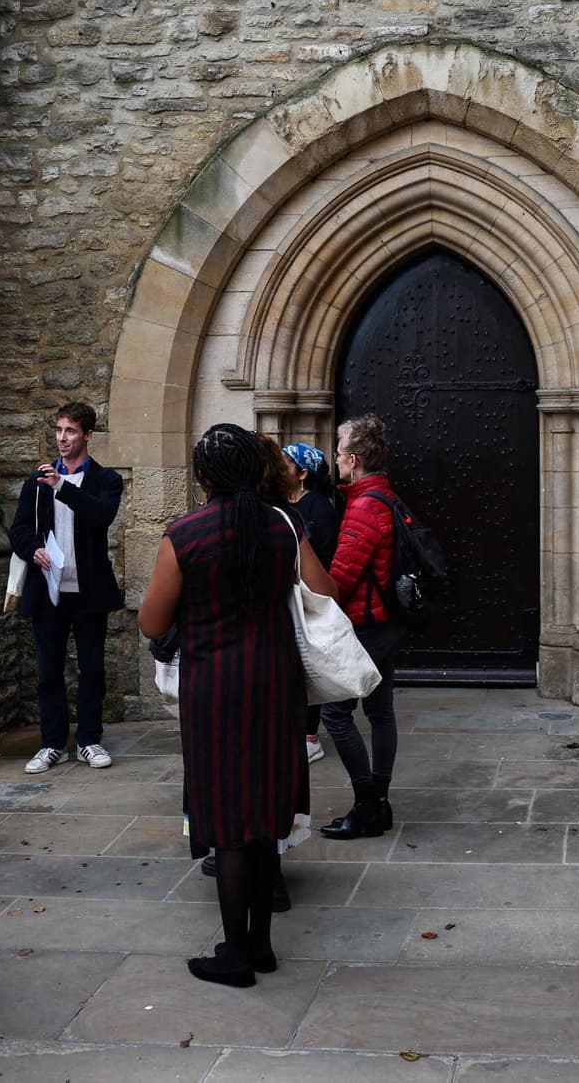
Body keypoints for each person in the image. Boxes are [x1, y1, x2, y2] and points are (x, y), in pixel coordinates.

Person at [139, 424, 337, 986]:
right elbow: (325, 594)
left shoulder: (185, 535)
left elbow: (152, 622)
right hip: (276, 682)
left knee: (228, 820)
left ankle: (236, 955)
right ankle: (262, 945)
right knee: (266, 810)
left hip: (215, 688)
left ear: (203, 476)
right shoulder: (284, 525)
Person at [10, 402, 124, 773]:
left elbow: (101, 515)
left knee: (91, 669)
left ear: (88, 435)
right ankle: (51, 743)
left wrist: (63, 487)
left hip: (89, 590)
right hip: (48, 590)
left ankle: (89, 740)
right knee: (48, 671)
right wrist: (35, 550)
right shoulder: (37, 480)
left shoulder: (106, 480)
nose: (62, 438)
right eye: (58, 430)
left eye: (70, 431)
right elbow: (19, 530)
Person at [317, 414, 404, 840]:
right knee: (381, 712)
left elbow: (341, 580)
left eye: (338, 453)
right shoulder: (384, 496)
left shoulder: (364, 507)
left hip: (365, 627)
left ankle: (368, 803)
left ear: (353, 459)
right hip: (385, 626)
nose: (335, 460)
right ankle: (380, 803)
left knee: (335, 715)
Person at [281, 442, 339, 764]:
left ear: (303, 473)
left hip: (308, 597)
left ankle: (309, 736)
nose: (280, 467)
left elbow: (326, 558)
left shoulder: (319, 508)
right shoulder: (281, 503)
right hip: (286, 597)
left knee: (308, 665)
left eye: (287, 463)